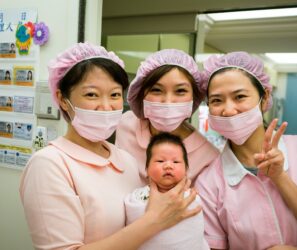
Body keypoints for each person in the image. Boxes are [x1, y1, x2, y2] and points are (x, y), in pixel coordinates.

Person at [19, 42, 201, 250]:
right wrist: (154, 221)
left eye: (114, 95)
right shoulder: (49, 164)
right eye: (91, 94)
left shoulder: (126, 160)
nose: (106, 106)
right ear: (62, 99)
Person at [195, 51, 297, 250]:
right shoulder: (209, 183)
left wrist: (281, 178)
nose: (228, 110)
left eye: (240, 97)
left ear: (265, 96)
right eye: (217, 100)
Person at [116, 49, 219, 184]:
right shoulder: (125, 124)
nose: (168, 101)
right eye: (156, 90)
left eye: (180, 91)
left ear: (194, 97)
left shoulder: (208, 157)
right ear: (141, 94)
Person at [125, 132, 209, 250]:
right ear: (147, 169)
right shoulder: (137, 198)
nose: (168, 165)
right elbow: (133, 218)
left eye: (176, 162)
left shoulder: (191, 197)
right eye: (160, 161)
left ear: (186, 170)